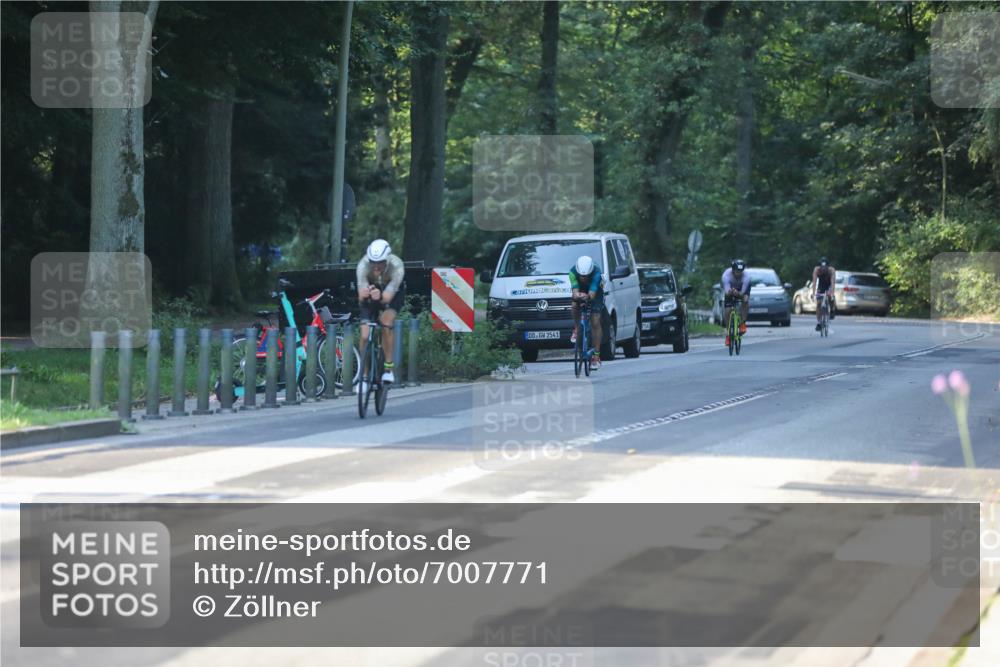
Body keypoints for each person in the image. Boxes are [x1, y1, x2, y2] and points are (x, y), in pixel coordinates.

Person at [356, 239, 405, 386]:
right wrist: (364, 294)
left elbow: (387, 298)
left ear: (388, 260)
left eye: (380, 262)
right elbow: (360, 297)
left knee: (386, 322)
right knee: (364, 335)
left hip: (392, 293)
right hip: (372, 289)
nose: (376, 266)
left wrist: (380, 296)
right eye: (373, 262)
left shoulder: (397, 267)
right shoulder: (363, 266)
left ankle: (388, 369)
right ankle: (364, 377)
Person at [569, 255, 604, 371]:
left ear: (590, 272)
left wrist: (586, 296)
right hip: (581, 290)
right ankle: (577, 328)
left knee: (595, 321)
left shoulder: (597, 273)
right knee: (574, 304)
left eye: (586, 276)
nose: (583, 278)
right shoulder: (572, 273)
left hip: (595, 292)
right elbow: (575, 292)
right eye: (581, 276)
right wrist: (577, 296)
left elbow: (592, 295)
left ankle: (596, 355)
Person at [721, 259, 750, 347]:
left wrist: (739, 294)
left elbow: (743, 293)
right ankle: (728, 333)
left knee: (745, 300)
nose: (739, 273)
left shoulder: (746, 277)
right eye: (737, 271)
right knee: (728, 309)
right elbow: (726, 292)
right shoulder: (726, 275)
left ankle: (743, 323)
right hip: (730, 288)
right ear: (733, 270)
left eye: (740, 271)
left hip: (742, 289)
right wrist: (731, 292)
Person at [812, 257, 836, 331]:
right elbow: (814, 282)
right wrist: (813, 293)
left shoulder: (831, 270)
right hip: (821, 286)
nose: (823, 269)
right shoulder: (816, 270)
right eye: (822, 268)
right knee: (819, 303)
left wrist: (831, 293)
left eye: (825, 268)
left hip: (828, 285)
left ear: (828, 267)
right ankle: (819, 322)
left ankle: (832, 309)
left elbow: (832, 283)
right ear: (820, 267)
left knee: (830, 296)